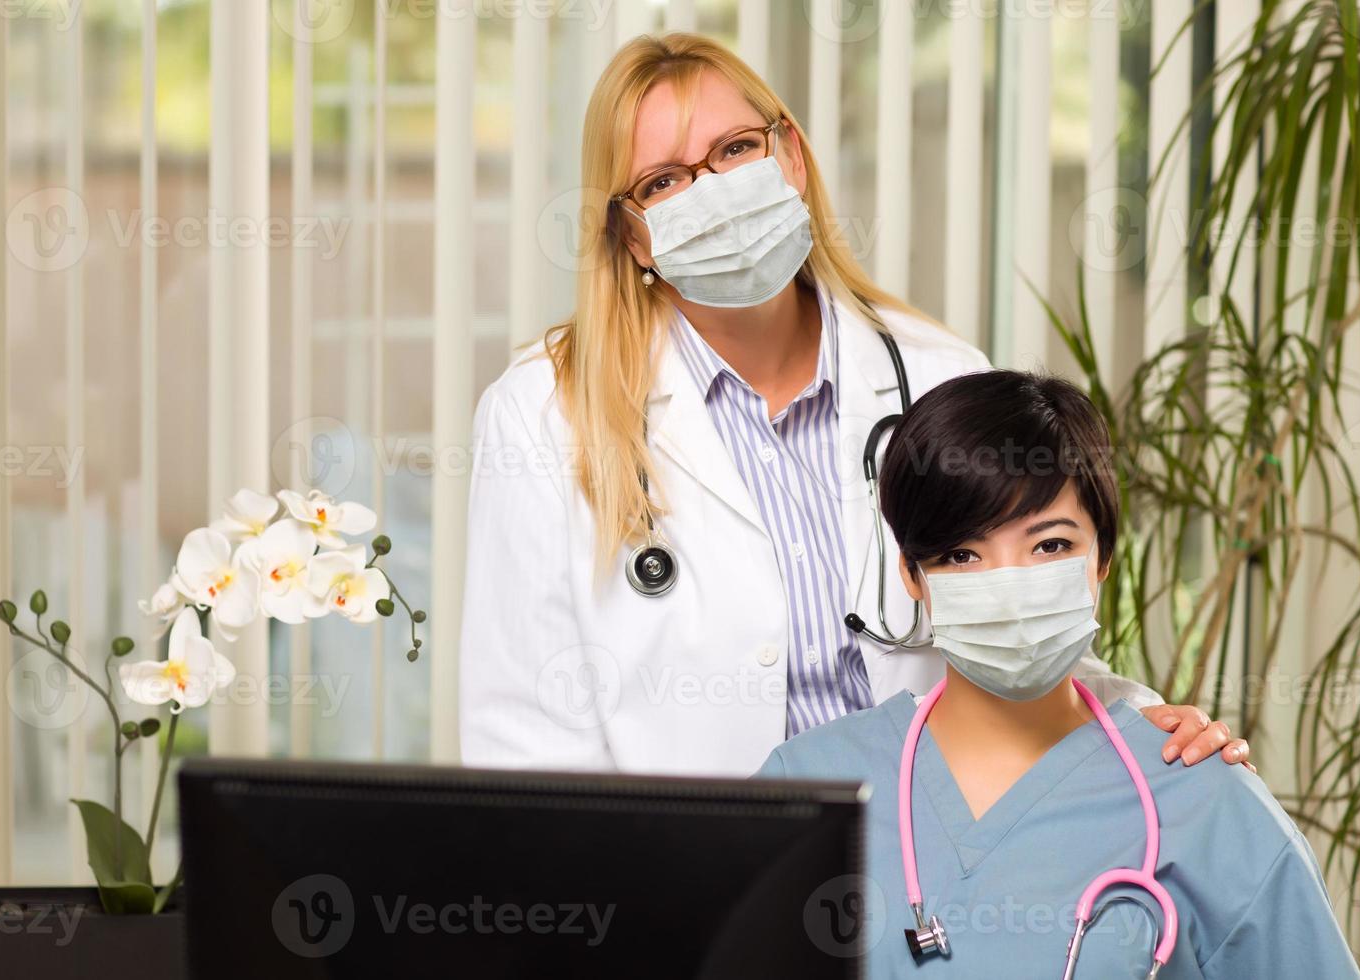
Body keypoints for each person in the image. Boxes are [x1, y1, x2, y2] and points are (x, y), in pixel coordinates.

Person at [458, 32, 1249, 777]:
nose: (717, 194)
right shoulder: (541, 415)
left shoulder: (937, 375)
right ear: (633, 238)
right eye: (664, 182)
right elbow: (524, 736)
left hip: (931, 860)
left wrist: (1146, 719)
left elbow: (1022, 633)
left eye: (736, 150)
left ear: (791, 158)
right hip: (695, 882)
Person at [757, 370, 1359, 977]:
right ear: (912, 576)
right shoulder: (807, 785)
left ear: (1102, 560)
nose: (1008, 584)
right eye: (961, 555)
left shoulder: (1206, 799)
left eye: (1049, 546)